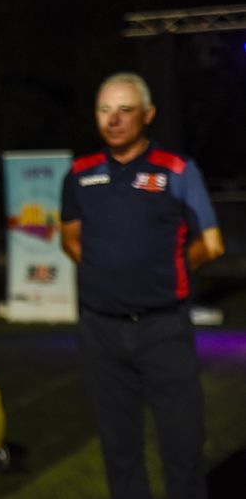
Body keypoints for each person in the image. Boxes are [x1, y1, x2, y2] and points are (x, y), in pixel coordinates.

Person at [60, 72, 224, 499]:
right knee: (119, 452)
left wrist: (167, 270)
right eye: (104, 109)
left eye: (125, 109)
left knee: (183, 450)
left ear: (148, 115)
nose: (113, 119)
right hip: (101, 332)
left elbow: (212, 243)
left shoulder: (178, 170)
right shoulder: (78, 174)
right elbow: (71, 237)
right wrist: (108, 272)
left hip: (162, 330)